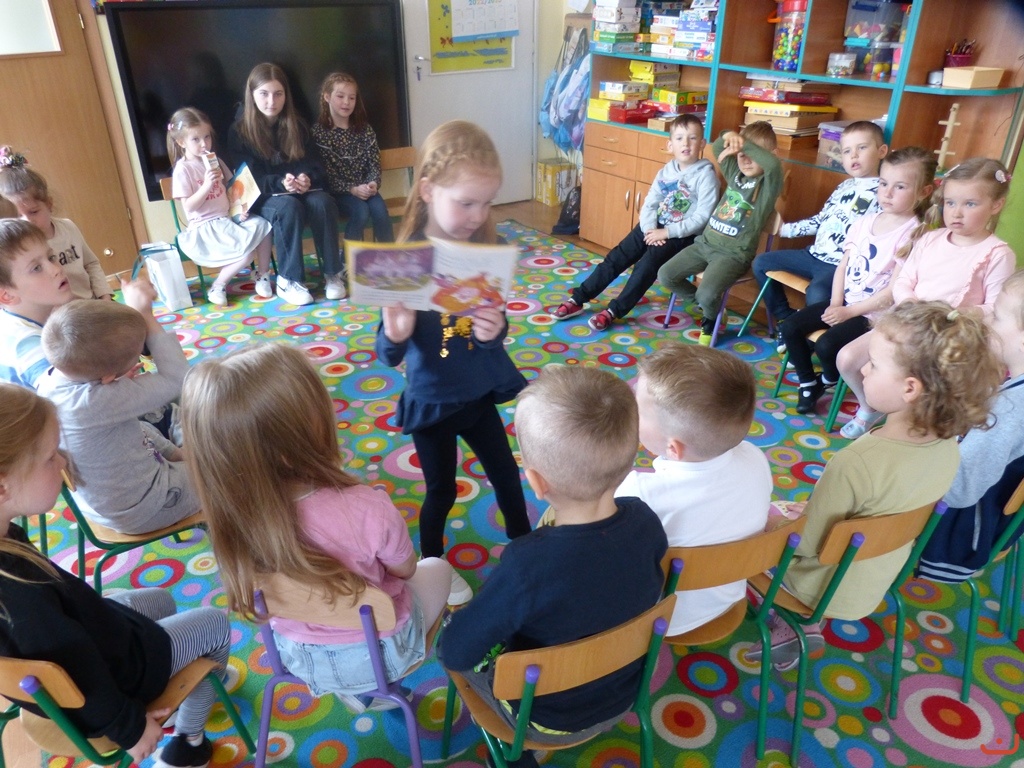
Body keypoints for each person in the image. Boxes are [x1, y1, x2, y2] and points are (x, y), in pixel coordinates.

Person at [180, 344, 452, 713]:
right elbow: (403, 571)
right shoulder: (366, 506)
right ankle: (374, 688)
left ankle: (357, 689)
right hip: (380, 655)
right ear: (309, 430)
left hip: (297, 657)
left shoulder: (230, 518)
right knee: (437, 567)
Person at [752, 301, 1004, 670]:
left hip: (817, 586)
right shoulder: (949, 449)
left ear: (910, 388)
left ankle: (792, 622)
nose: (863, 370)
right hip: (874, 582)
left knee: (758, 522)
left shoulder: (857, 462)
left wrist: (775, 522)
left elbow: (803, 544)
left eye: (874, 364)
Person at [438, 365, 668, 768]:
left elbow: (457, 652)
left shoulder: (527, 564)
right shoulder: (646, 521)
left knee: (451, 640)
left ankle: (517, 758)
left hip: (544, 719)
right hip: (626, 693)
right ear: (630, 460)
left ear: (536, 482)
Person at [0, 382, 233, 768]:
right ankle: (188, 744)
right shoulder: (20, 595)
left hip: (98, 641)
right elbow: (76, 667)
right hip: (117, 684)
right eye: (49, 457)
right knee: (215, 624)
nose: (63, 462)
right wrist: (130, 728)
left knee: (160, 599)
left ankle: (189, 682)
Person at [375, 120, 531, 605]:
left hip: (478, 394)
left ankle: (526, 549)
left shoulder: (484, 248)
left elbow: (493, 331)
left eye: (487, 202)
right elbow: (388, 352)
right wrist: (396, 333)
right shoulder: (403, 260)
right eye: (466, 202)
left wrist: (493, 331)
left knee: (507, 475)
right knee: (440, 491)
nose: (477, 215)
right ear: (427, 190)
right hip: (432, 403)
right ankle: (433, 565)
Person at [836, 157, 1016, 438]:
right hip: (908, 324)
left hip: (949, 338)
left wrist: (954, 315)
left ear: (995, 205)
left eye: (970, 204)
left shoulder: (997, 253)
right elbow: (904, 281)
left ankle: (909, 423)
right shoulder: (930, 238)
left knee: (921, 385)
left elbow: (994, 307)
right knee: (847, 359)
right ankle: (870, 408)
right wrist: (910, 303)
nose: (956, 213)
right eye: (951, 202)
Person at [616, 341, 771, 636]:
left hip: (659, 618)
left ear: (673, 448)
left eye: (639, 410)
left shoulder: (639, 493)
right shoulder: (755, 456)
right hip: (727, 598)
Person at [780, 146, 935, 415]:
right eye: (883, 183)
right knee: (790, 327)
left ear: (923, 192)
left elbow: (892, 291)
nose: (887, 193)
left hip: (873, 314)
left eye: (899, 187)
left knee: (827, 346)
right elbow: (843, 266)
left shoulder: (914, 234)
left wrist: (849, 311)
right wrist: (836, 303)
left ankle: (827, 378)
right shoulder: (864, 222)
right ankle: (808, 382)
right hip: (845, 302)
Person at [36, 280, 199, 534]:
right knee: (232, 467)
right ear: (109, 378)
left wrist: (117, 381)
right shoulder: (95, 402)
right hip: (147, 507)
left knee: (157, 420)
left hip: (108, 503)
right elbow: (178, 378)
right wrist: (145, 316)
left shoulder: (50, 383)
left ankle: (181, 454)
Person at [549, 114, 718, 331]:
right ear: (670, 145)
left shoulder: (706, 176)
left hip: (680, 235)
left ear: (702, 144)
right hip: (653, 227)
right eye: (679, 138)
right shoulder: (666, 171)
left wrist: (666, 233)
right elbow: (650, 203)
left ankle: (614, 311)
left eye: (692, 138)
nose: (686, 144)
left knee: (646, 266)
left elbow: (702, 218)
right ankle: (578, 298)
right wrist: (649, 229)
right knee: (617, 257)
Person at [918, 269, 1024, 582]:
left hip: (954, 538)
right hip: (996, 524)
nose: (987, 321)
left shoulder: (1009, 410)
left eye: (997, 317)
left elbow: (958, 490)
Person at [753, 121, 888, 347]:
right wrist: (785, 230)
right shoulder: (844, 187)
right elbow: (821, 220)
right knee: (761, 263)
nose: (854, 155)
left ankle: (804, 342)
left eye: (862, 148)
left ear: (881, 151)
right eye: (847, 151)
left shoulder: (883, 193)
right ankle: (786, 318)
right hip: (813, 254)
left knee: (817, 293)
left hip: (839, 266)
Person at [226, 62, 344, 306]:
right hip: (263, 198)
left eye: (278, 94)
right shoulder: (239, 131)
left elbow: (315, 164)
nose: (272, 101)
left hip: (299, 192)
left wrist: (306, 178)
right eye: (264, 94)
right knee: (288, 207)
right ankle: (289, 280)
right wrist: (281, 183)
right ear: (252, 95)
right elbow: (249, 179)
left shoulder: (297, 125)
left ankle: (333, 274)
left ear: (286, 95)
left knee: (323, 202)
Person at [658, 121, 783, 346]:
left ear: (769, 154)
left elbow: (773, 165)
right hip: (704, 244)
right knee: (666, 275)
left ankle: (709, 318)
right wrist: (730, 134)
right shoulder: (735, 173)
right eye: (741, 154)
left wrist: (742, 144)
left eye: (752, 154)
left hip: (733, 255)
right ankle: (713, 309)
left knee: (706, 294)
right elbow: (717, 146)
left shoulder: (767, 185)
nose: (745, 159)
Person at [166, 107, 273, 306]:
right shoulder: (183, 169)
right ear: (181, 142)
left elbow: (233, 188)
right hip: (205, 227)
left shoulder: (214, 160)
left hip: (227, 220)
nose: (204, 143)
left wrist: (240, 209)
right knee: (247, 254)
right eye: (196, 139)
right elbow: (189, 207)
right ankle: (218, 285)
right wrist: (207, 185)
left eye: (207, 137)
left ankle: (262, 274)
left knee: (264, 226)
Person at [0, 146, 112, 300]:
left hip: (91, 304)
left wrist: (105, 295)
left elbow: (91, 264)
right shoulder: (20, 250)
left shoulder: (68, 227)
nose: (28, 221)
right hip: (61, 313)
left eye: (34, 212)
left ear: (49, 204)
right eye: (18, 217)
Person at [312, 72, 394, 243]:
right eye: (340, 96)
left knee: (380, 211)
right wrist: (352, 189)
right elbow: (325, 175)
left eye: (352, 98)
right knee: (361, 211)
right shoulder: (319, 133)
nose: (346, 102)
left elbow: (374, 163)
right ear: (327, 97)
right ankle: (349, 256)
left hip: (366, 189)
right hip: (339, 194)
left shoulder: (365, 130)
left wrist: (373, 183)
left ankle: (389, 254)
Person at [0, 219, 73, 389]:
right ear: (6, 295)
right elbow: (67, 395)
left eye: (51, 257)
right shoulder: (25, 343)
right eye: (36, 268)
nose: (56, 269)